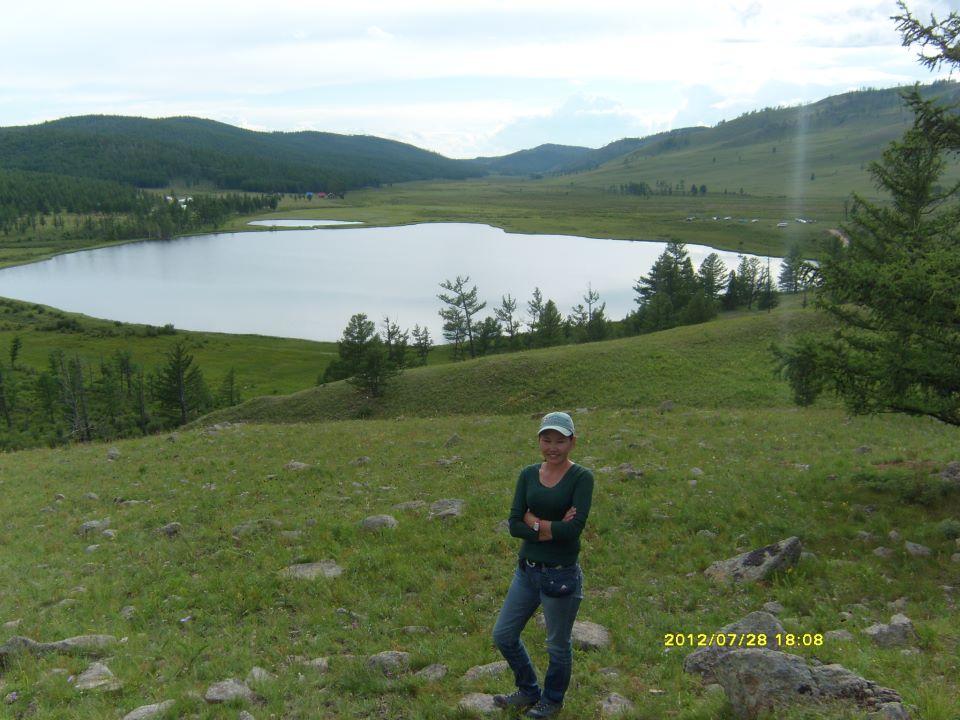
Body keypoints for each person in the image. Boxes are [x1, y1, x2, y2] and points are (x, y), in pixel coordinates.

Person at [491, 411, 595, 718]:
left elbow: (573, 530)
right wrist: (548, 529)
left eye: (560, 441)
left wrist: (533, 522)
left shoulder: (582, 478)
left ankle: (551, 701)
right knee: (504, 635)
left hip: (560, 575)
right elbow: (513, 524)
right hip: (527, 571)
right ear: (539, 440)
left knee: (557, 646)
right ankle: (528, 690)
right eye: (547, 440)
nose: (553, 447)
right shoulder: (527, 474)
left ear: (572, 442)